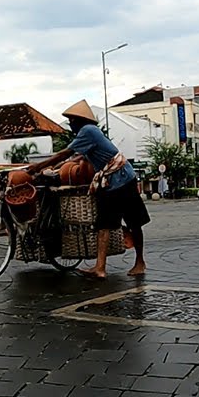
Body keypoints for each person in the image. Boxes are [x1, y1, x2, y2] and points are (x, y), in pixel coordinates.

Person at [24, 100, 149, 278]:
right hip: (109, 182)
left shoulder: (88, 131)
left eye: (71, 122)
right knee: (103, 225)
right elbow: (77, 156)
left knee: (134, 222)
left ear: (78, 121)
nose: (71, 126)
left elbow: (65, 153)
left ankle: (140, 262)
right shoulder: (89, 134)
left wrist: (38, 167)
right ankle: (100, 267)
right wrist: (60, 167)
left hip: (123, 178)